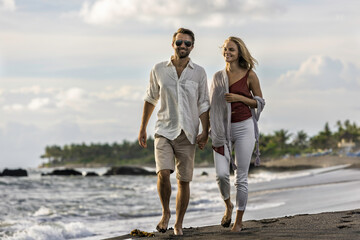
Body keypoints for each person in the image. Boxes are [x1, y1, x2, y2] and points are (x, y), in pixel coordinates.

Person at [138, 28, 210, 235]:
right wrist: (142, 127)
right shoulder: (159, 69)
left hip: (187, 132)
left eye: (187, 44)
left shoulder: (199, 72)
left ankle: (178, 223)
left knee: (184, 180)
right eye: (179, 43)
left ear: (192, 47)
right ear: (173, 45)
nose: (183, 47)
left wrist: (205, 132)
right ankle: (165, 213)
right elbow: (151, 98)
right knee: (162, 173)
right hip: (163, 129)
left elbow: (204, 103)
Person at [209, 36, 265, 232]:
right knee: (221, 175)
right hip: (220, 130)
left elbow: (259, 102)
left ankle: (239, 221)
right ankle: (228, 206)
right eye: (225, 49)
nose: (227, 53)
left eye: (231, 49)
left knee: (240, 176)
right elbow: (212, 107)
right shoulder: (217, 77)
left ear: (239, 52)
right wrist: (205, 131)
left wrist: (239, 98)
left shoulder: (250, 75)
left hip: (244, 127)